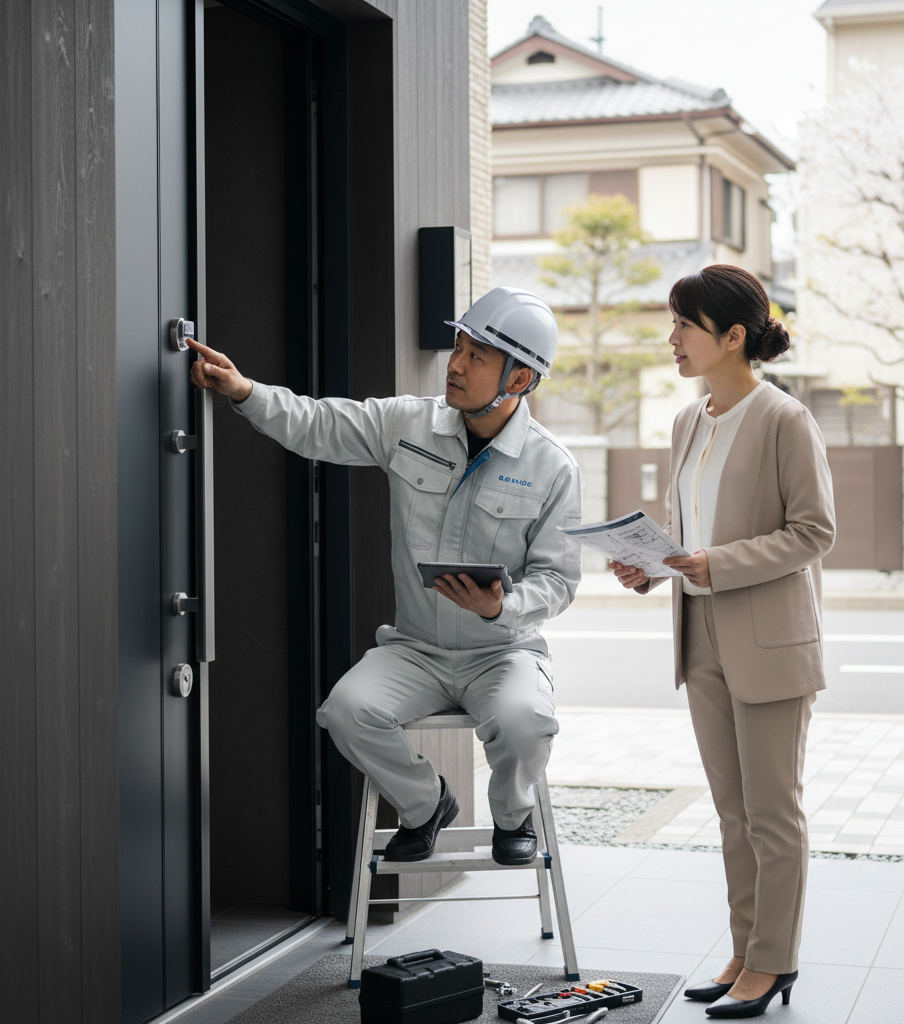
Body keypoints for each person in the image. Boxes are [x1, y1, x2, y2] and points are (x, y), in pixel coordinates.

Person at [188, 286, 583, 866]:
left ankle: (511, 815)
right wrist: (244, 392)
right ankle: (426, 806)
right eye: (458, 346)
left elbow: (559, 580)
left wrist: (501, 607)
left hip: (502, 652)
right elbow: (317, 423)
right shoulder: (408, 423)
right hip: (416, 650)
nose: (455, 363)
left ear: (519, 380)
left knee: (526, 721)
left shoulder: (553, 467)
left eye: (477, 356)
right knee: (346, 711)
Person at [613, 266, 835, 1019]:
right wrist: (650, 566)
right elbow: (692, 533)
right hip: (699, 631)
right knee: (731, 810)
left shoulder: (783, 419)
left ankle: (774, 962)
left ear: (733, 336)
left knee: (774, 812)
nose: (671, 339)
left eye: (684, 325)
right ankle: (745, 949)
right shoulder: (688, 421)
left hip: (769, 638)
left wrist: (718, 564)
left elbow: (814, 532)